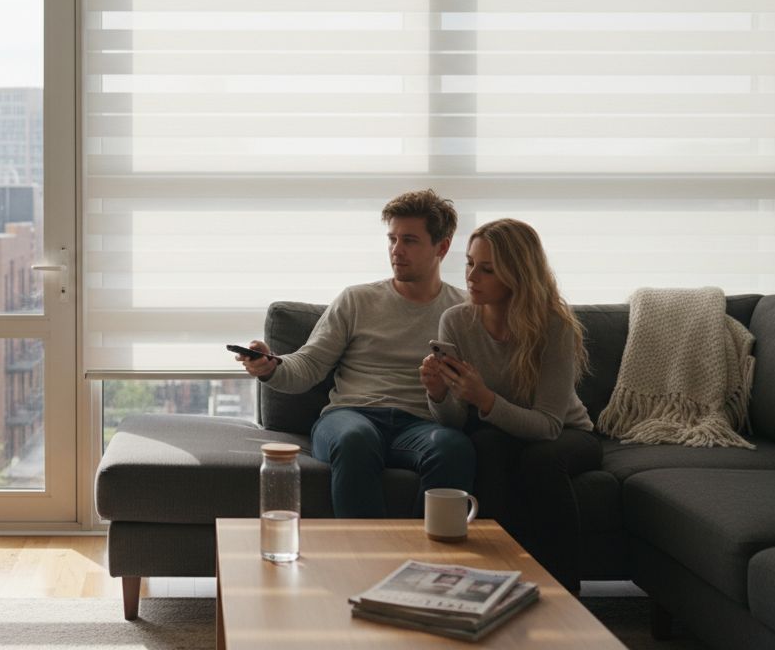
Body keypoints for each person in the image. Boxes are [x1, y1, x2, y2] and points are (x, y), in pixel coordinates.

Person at [236, 189, 474, 519]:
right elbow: (309, 363)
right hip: (350, 417)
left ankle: (428, 561)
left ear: (442, 247)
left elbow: (463, 401)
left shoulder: (463, 311)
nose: (396, 250)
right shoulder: (357, 300)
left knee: (454, 448)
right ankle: (364, 562)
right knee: (356, 440)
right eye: (392, 239)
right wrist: (269, 366)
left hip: (419, 426)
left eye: (409, 240)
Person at [420, 218, 599, 591]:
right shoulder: (456, 321)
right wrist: (439, 392)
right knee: (483, 444)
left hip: (566, 433)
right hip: (500, 432)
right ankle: (494, 578)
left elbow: (549, 426)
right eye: (470, 263)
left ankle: (564, 588)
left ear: (517, 273)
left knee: (541, 460)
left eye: (487, 269)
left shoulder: (554, 326)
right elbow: (454, 421)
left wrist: (484, 398)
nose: (471, 276)